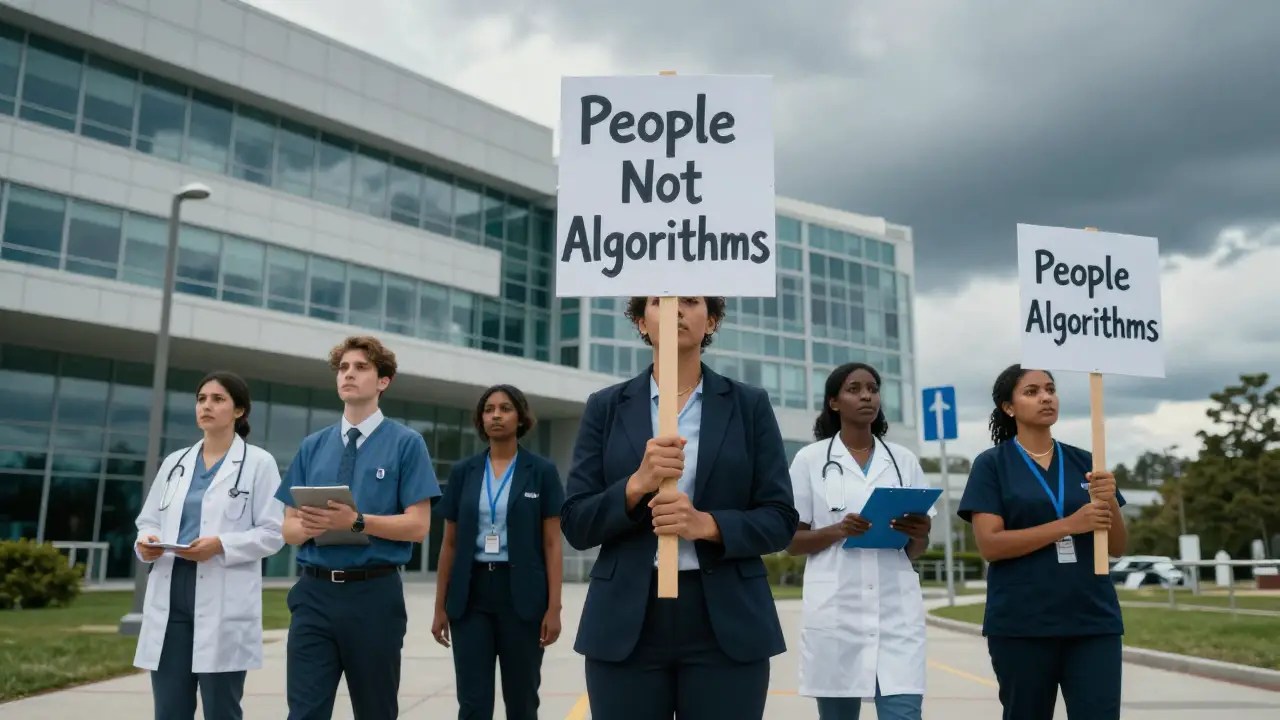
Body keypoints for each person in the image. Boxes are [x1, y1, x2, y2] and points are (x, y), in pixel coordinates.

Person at [561, 295, 799, 720]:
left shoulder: (749, 406)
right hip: (626, 621)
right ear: (640, 322)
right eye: (658, 301)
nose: (674, 310)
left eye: (689, 301)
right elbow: (577, 523)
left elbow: (780, 518)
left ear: (710, 322)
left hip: (726, 621)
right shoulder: (606, 407)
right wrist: (635, 486)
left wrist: (707, 525)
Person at [274, 335, 442, 720]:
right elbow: (287, 528)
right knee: (303, 713)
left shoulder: (407, 444)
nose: (348, 374)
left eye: (361, 368)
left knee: (376, 711)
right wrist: (313, 526)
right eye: (343, 368)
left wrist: (355, 523)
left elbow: (418, 526)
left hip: (374, 597)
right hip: (313, 595)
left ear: (384, 381)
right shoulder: (312, 446)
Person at [957, 364, 1127, 720]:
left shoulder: (1088, 462)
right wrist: (1068, 525)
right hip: (1023, 624)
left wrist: (1109, 498)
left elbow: (1118, 546)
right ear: (1008, 407)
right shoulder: (992, 465)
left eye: (1050, 389)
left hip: (1092, 621)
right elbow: (991, 545)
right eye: (1031, 392)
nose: (1046, 397)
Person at [785, 362, 934, 720]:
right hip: (838, 613)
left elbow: (915, 551)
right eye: (854, 389)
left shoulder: (903, 460)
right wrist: (837, 530)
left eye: (873, 388)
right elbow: (791, 540)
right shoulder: (810, 460)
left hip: (896, 614)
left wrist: (920, 532)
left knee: (904, 711)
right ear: (834, 402)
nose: (867, 395)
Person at [133, 370, 285, 720]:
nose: (207, 406)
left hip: (223, 594)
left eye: (218, 399)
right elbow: (148, 520)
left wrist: (220, 545)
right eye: (202, 399)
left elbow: (273, 532)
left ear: (239, 411)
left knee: (222, 710)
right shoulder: (175, 463)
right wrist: (148, 542)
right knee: (170, 710)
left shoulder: (259, 463)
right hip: (171, 595)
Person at [431, 384, 565, 720]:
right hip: (471, 595)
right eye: (489, 409)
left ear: (520, 418)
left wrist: (554, 607)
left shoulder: (542, 472)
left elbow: (552, 544)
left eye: (505, 408)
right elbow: (449, 543)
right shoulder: (464, 472)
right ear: (481, 419)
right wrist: (439, 607)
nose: (496, 415)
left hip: (523, 598)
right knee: (473, 703)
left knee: (522, 701)